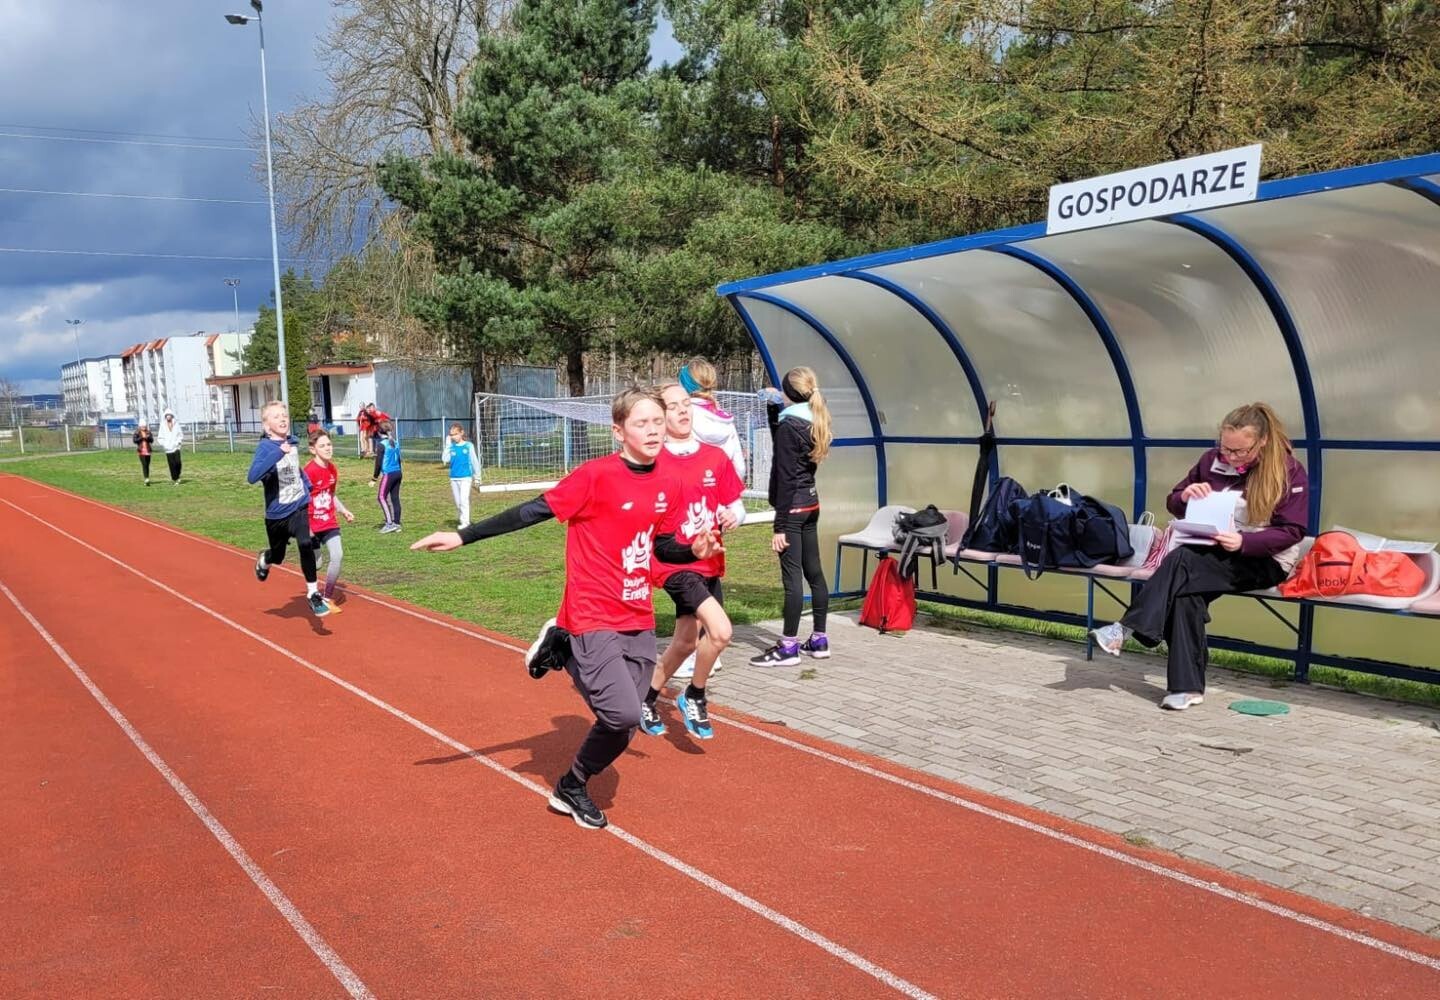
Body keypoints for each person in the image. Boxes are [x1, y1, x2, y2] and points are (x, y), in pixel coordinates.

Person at [409, 387, 722, 830]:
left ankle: (571, 786)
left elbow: (662, 545)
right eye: (641, 423)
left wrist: (693, 550)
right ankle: (568, 645)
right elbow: (532, 511)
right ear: (619, 432)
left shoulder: (669, 481)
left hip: (637, 613)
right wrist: (464, 535)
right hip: (591, 612)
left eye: (658, 421)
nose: (653, 431)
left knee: (626, 722)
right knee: (623, 713)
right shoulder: (595, 477)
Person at [1091, 402, 1308, 711]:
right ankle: (1186, 689)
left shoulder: (1289, 471)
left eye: (1240, 451)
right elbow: (1174, 502)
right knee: (1185, 594)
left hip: (1263, 560)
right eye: (1226, 449)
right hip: (1209, 552)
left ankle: (1126, 628)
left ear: (1262, 441)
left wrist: (1244, 542)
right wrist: (1185, 496)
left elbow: (1293, 530)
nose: (1231, 457)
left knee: (1182, 562)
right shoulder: (1210, 461)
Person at [639, 383, 745, 740]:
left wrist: (733, 515)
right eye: (673, 406)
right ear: (660, 416)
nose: (683, 410)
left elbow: (736, 504)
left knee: (685, 642)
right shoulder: (654, 462)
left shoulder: (715, 457)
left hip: (709, 563)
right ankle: (695, 695)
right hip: (674, 565)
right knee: (721, 632)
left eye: (686, 403)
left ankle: (646, 698)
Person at [749, 366, 833, 667]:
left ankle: (788, 647)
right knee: (815, 573)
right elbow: (785, 448)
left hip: (793, 510)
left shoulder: (790, 426)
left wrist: (780, 526)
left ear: (788, 392)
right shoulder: (813, 419)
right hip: (810, 504)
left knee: (792, 579)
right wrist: (774, 410)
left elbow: (785, 478)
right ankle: (819, 640)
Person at [247, 401, 329, 618]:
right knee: (278, 556)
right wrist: (277, 453)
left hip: (298, 506)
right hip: (276, 515)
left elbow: (295, 469)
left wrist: (307, 486)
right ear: (267, 426)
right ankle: (265, 559)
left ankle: (313, 593)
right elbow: (252, 477)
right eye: (276, 416)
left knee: (305, 543)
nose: (283, 419)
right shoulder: (265, 448)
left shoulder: (292, 442)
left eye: (284, 415)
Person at [304, 429, 355, 612]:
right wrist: (305, 527)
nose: (327, 448)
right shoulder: (308, 472)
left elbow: (331, 495)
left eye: (329, 444)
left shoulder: (332, 469)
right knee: (316, 564)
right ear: (313, 449)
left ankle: (326, 597)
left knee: (337, 556)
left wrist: (343, 510)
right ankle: (312, 591)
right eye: (322, 446)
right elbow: (300, 500)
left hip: (329, 523)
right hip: (311, 526)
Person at [679, 357, 746, 482]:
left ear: (683, 386)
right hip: (720, 487)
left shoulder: (681, 417)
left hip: (689, 487)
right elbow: (739, 468)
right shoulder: (725, 420)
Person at [442, 423, 480, 528]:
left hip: (466, 477)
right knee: (458, 503)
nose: (454, 437)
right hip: (454, 478)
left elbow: (474, 461)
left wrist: (477, 477)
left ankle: (465, 523)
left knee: (464, 500)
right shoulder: (451, 447)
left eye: (455, 434)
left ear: (461, 433)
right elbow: (445, 459)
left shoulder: (468, 446)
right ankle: (462, 519)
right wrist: (447, 445)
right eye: (451, 435)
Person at [375, 420, 403, 533]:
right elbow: (399, 459)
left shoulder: (381, 444)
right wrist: (399, 472)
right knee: (395, 498)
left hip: (389, 474)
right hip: (398, 473)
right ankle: (397, 523)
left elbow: (378, 463)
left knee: (381, 497)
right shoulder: (395, 442)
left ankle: (390, 524)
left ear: (379, 432)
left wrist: (374, 477)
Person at [156, 409, 184, 484]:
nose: (168, 416)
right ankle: (175, 478)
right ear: (165, 416)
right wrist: (164, 444)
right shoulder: (162, 425)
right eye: (167, 415)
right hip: (168, 448)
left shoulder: (176, 424)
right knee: (172, 464)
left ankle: (178, 475)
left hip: (176, 447)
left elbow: (180, 435)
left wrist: (178, 442)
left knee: (178, 462)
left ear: (172, 416)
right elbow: (160, 437)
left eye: (169, 415)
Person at [367, 404, 392, 483]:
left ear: (374, 407)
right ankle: (372, 452)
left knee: (382, 449)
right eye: (370, 408)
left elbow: (388, 418)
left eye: (371, 408)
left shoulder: (379, 413)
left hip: (382, 433)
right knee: (377, 448)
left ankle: (376, 453)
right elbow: (369, 418)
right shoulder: (371, 415)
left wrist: (383, 421)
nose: (371, 409)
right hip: (376, 433)